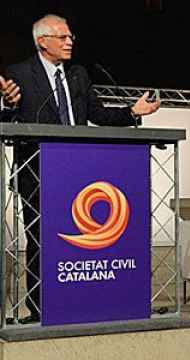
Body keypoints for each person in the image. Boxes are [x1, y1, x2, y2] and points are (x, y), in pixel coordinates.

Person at [0, 14, 161, 324]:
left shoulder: (78, 75)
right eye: (63, 37)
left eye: (70, 36)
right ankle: (41, 310)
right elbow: (10, 120)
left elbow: (97, 114)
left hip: (79, 173)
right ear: (42, 42)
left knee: (77, 242)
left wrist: (132, 111)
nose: (70, 41)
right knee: (42, 241)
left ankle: (79, 302)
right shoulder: (19, 73)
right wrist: (7, 106)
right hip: (38, 174)